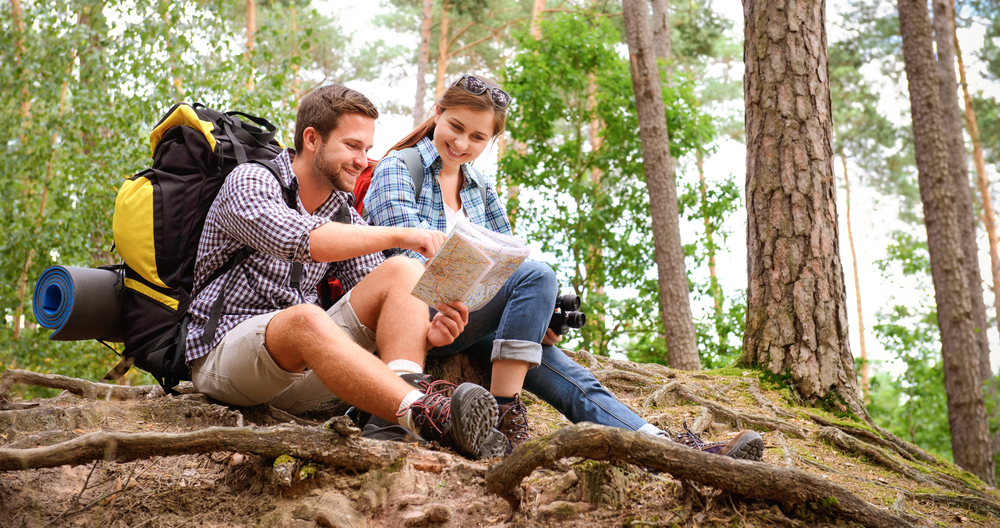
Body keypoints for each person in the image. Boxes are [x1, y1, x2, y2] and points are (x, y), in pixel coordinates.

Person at [365, 75, 765, 461]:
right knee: (538, 275)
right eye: (455, 126)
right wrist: (519, 295)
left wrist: (537, 316)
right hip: (419, 319)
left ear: (492, 141)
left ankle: (664, 445)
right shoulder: (399, 168)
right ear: (437, 113)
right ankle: (504, 416)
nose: (461, 142)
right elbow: (403, 265)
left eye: (478, 137)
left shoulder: (481, 188)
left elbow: (508, 260)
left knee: (571, 375)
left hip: (473, 318)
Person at [183, 84, 501, 460]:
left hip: (305, 370)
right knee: (304, 318)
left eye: (367, 150)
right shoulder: (252, 181)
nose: (363, 160)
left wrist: (429, 334)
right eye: (352, 146)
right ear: (312, 138)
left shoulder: (342, 212)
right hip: (225, 360)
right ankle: (427, 416)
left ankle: (395, 425)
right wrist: (401, 233)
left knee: (403, 270)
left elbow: (386, 299)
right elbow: (299, 239)